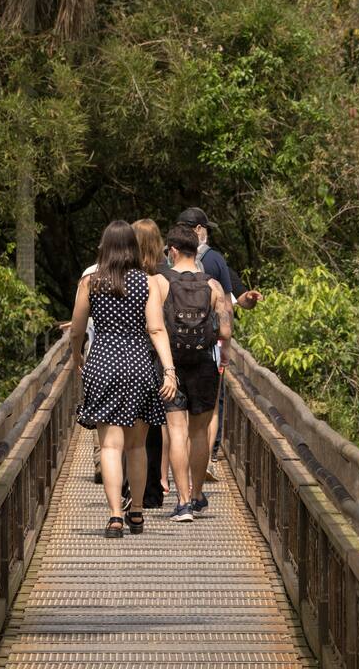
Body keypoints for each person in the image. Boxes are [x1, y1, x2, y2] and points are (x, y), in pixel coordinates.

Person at [69, 221, 177, 538]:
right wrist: (169, 370)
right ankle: (138, 513)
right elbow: (157, 330)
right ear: (132, 247)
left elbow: (76, 330)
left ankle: (116, 516)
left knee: (110, 446)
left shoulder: (91, 282)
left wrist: (78, 357)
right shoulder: (147, 283)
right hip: (138, 365)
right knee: (136, 446)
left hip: (102, 363)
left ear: (104, 247)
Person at [174, 207, 262, 477]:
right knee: (210, 407)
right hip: (208, 345)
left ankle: (173, 476)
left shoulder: (168, 261)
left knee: (175, 414)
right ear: (199, 230)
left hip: (174, 346)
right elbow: (230, 301)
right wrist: (226, 344)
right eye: (206, 228)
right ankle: (207, 458)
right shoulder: (215, 260)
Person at [161, 223, 233, 520]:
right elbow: (226, 331)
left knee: (177, 431)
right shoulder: (213, 286)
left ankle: (182, 502)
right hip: (204, 363)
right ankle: (198, 494)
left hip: (172, 366)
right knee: (200, 431)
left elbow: (152, 325)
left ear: (173, 251)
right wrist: (224, 356)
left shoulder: (160, 282)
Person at [131, 219, 172, 509]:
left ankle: (129, 490)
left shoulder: (124, 277)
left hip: (131, 356)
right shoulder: (165, 277)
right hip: (159, 356)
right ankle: (152, 491)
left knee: (126, 427)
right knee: (153, 427)